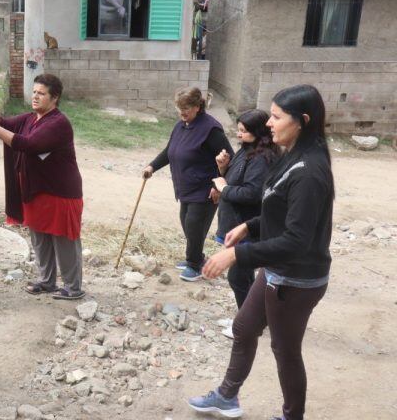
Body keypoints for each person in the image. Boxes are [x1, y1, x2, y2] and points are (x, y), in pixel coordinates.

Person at [188, 84, 334, 420]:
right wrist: (250, 226)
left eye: (278, 117)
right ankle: (227, 397)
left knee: (285, 350)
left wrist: (237, 255)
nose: (269, 123)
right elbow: (277, 208)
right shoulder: (292, 156)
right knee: (243, 327)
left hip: (297, 278)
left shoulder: (310, 171)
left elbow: (297, 239)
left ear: (303, 120)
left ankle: (291, 416)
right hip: (277, 269)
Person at [0, 74, 85, 300]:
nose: (35, 96)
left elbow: (28, 144)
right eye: (34, 92)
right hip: (36, 189)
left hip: (61, 192)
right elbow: (3, 122)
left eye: (41, 93)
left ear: (55, 98)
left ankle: (73, 288)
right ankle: (47, 281)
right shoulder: (31, 118)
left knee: (64, 239)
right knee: (40, 236)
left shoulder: (58, 123)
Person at [142, 87, 233, 282]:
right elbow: (169, 151)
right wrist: (152, 167)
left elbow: (229, 158)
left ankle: (194, 264)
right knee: (187, 223)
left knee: (194, 225)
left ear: (198, 106)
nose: (182, 112)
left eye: (187, 108)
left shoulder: (211, 129)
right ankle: (197, 258)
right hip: (186, 187)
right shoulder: (181, 126)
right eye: (179, 107)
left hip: (205, 189)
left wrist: (218, 185)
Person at [211, 109, 279, 338]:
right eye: (238, 130)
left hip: (248, 227)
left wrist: (223, 188)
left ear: (258, 132)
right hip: (236, 225)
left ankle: (249, 325)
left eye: (243, 131)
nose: (238, 135)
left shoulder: (262, 158)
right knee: (244, 277)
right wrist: (223, 168)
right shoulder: (247, 150)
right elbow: (235, 178)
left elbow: (251, 194)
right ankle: (250, 318)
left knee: (238, 277)